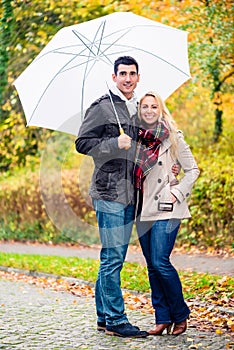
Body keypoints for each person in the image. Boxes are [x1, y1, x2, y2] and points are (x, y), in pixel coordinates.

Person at [75, 56, 149, 338]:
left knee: (111, 256)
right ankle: (117, 320)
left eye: (132, 73)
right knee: (113, 258)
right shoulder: (101, 106)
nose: (128, 78)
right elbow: (82, 143)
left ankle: (104, 318)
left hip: (132, 193)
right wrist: (112, 143)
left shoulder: (138, 107)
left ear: (138, 77)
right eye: (123, 74)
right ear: (114, 77)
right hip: (109, 192)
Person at [134, 91, 200, 336]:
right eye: (144, 107)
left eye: (154, 106)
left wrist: (178, 192)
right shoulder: (134, 140)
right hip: (143, 209)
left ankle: (180, 314)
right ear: (139, 111)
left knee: (161, 262)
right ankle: (162, 318)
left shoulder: (173, 138)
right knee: (152, 265)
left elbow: (192, 170)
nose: (149, 110)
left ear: (160, 110)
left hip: (167, 207)